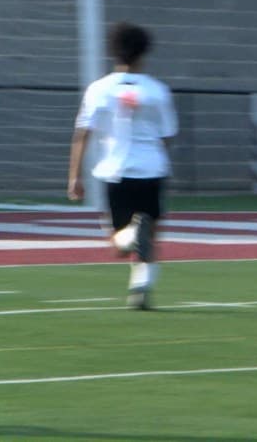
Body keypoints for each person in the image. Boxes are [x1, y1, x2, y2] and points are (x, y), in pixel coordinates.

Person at [67, 22, 178, 309]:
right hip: (152, 169)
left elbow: (82, 133)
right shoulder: (158, 91)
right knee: (151, 237)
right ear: (145, 52)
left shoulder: (98, 89)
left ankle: (130, 235)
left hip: (114, 171)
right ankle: (140, 288)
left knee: (118, 243)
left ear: (113, 52)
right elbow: (168, 136)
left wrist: (74, 177)